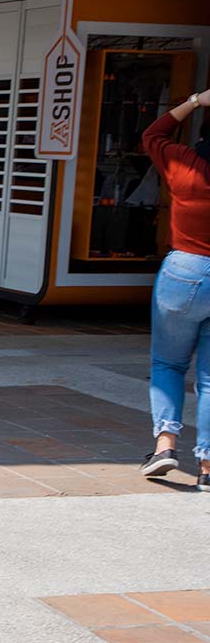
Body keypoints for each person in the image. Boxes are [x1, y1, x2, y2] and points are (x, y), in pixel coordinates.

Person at [138, 88, 210, 493]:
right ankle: (208, 464)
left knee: (168, 363)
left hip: (184, 271)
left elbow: (154, 133)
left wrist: (197, 100)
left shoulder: (184, 163)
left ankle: (165, 446)